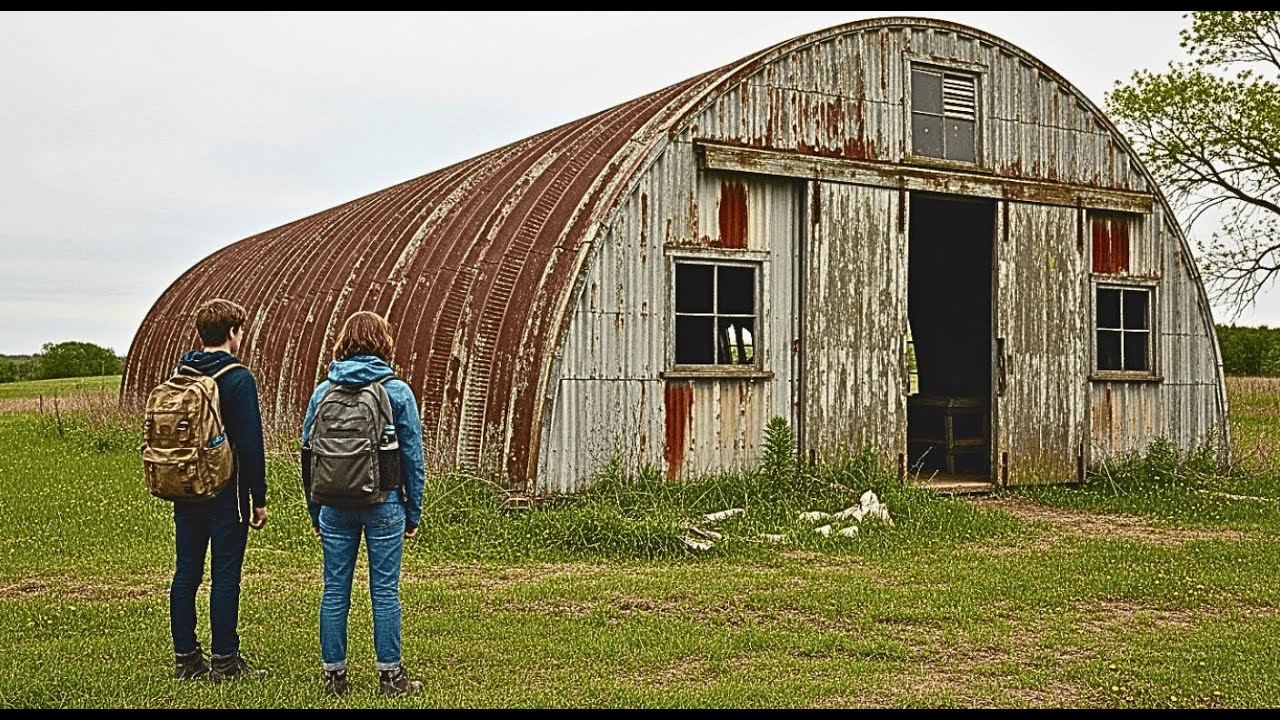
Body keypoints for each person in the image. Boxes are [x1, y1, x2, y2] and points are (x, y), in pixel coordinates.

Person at [301, 310, 425, 698]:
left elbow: (308, 455)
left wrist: (315, 510)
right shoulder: (397, 391)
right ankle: (391, 678)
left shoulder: (323, 391)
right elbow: (413, 457)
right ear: (383, 343)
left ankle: (334, 679)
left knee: (334, 589)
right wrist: (413, 510)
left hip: (333, 505)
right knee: (384, 590)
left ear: (345, 342)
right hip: (385, 502)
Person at [170, 298, 270, 683]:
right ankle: (225, 661)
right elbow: (250, 443)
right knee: (225, 574)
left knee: (186, 572)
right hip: (228, 493)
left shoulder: (183, 372)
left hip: (186, 488)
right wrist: (258, 498)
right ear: (232, 332)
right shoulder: (238, 378)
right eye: (240, 330)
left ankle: (186, 658)